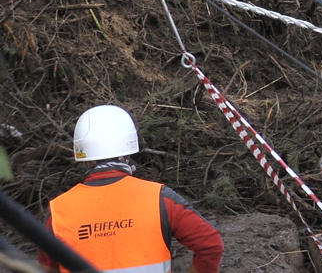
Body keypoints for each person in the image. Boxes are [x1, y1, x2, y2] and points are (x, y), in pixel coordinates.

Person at [44, 105, 223, 273]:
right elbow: (210, 245)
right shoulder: (161, 199)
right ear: (127, 153)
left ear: (85, 158)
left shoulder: (58, 213)